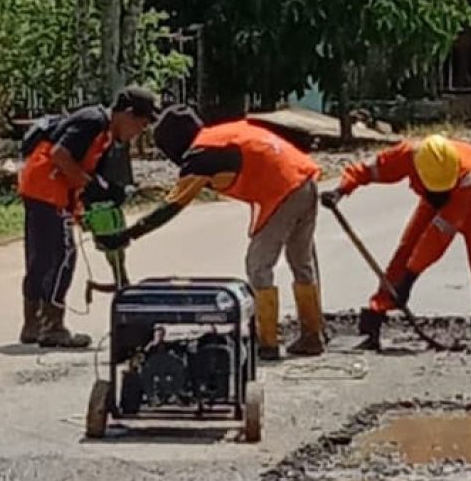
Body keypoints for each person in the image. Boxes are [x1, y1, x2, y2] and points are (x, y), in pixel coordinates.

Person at [98, 104, 324, 360]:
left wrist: (128, 234)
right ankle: (312, 336)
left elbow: (172, 206)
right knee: (301, 263)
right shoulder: (221, 134)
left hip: (282, 192)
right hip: (305, 179)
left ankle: (267, 342)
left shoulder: (202, 155)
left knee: (259, 266)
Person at [323, 134, 471, 350]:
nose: (439, 196)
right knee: (406, 251)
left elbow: (439, 236)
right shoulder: (409, 155)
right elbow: (369, 168)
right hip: (434, 204)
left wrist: (410, 279)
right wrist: (341, 190)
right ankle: (375, 316)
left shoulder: (466, 173)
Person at [18, 87, 157, 348]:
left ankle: (33, 324)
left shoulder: (105, 136)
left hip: (45, 189)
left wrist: (95, 197)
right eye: (140, 124)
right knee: (62, 257)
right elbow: (60, 155)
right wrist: (90, 185)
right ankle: (52, 326)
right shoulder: (93, 121)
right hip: (46, 188)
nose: (139, 132)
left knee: (43, 258)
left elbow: (84, 173)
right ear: (126, 114)